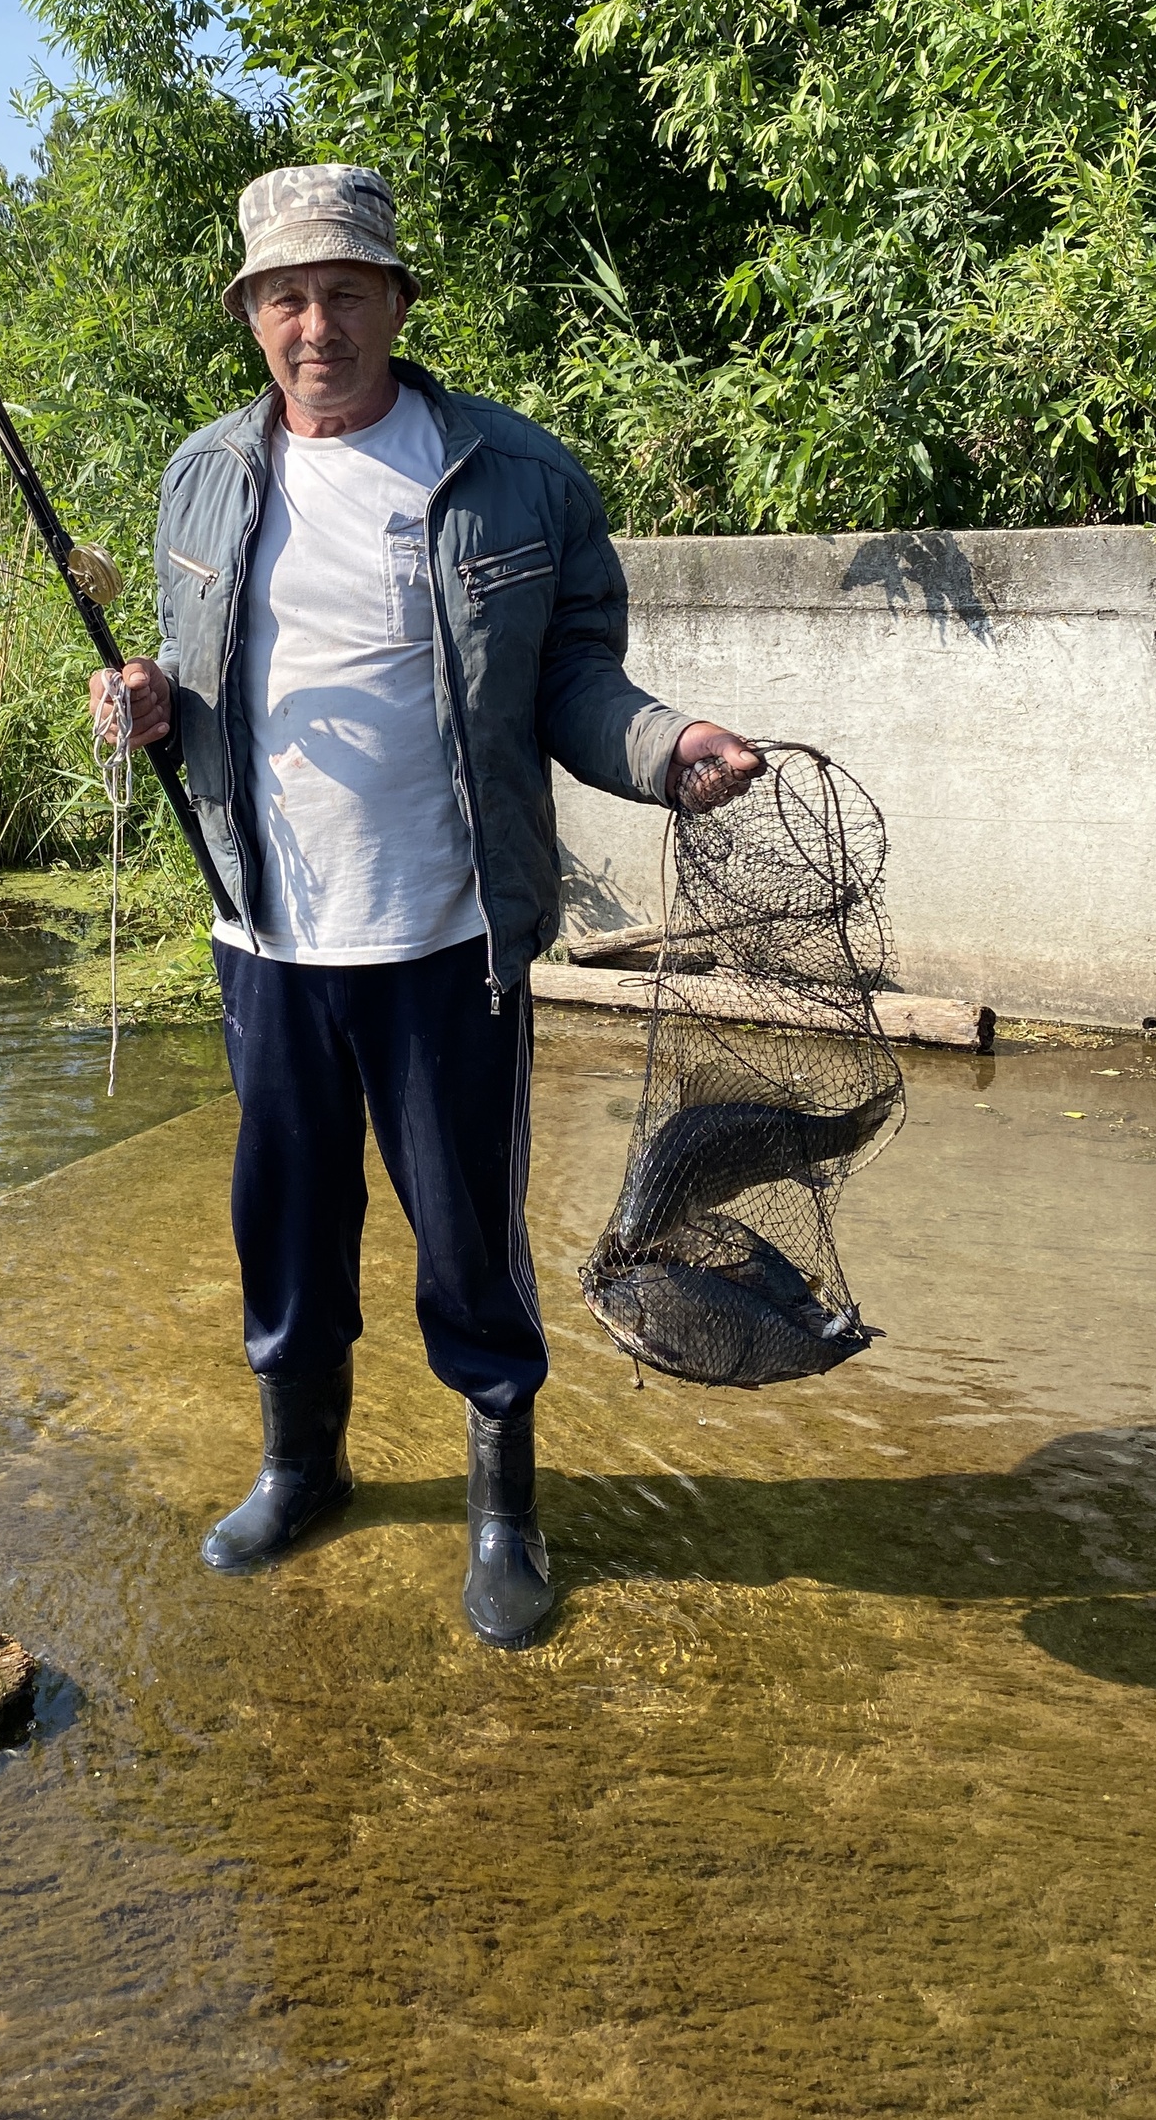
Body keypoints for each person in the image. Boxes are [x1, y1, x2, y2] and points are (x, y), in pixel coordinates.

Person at [91, 164, 760, 1646]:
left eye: (340, 292)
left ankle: (505, 1513)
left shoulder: (519, 474)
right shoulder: (202, 472)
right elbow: (186, 666)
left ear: (395, 301)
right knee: (287, 1214)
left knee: (469, 1229)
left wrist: (663, 747)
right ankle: (301, 1467)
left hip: (451, 929)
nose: (311, 324)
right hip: (265, 930)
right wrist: (142, 700)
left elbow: (575, 680)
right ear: (251, 316)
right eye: (282, 297)